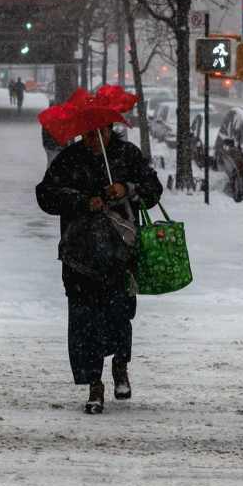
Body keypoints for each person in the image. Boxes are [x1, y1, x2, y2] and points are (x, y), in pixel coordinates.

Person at [36, 124, 162, 414]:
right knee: (84, 323)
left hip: (120, 255)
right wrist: (81, 201)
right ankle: (94, 384)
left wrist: (126, 189)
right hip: (79, 256)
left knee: (119, 314)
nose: (94, 140)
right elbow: (46, 195)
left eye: (100, 134)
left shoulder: (127, 155)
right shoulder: (69, 160)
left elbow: (153, 191)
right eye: (89, 135)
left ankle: (120, 365)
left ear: (109, 131)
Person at [42, 102, 65, 167]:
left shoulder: (46, 118)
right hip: (55, 146)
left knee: (51, 162)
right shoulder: (60, 118)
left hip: (50, 146)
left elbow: (44, 135)